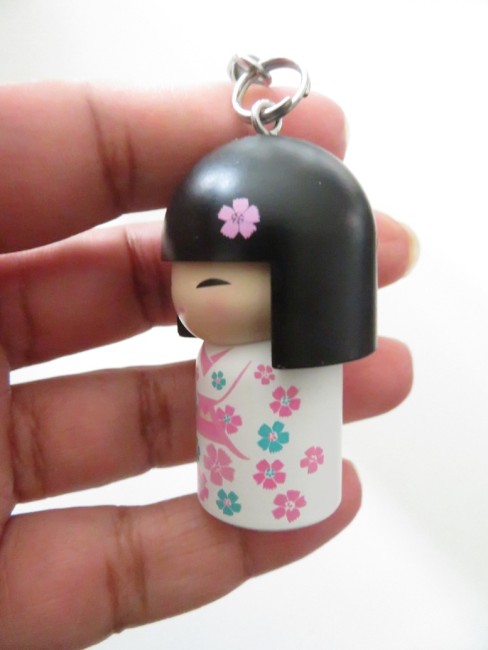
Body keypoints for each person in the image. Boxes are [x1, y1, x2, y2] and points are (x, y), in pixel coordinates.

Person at [0, 81, 415, 649]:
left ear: (297, 280)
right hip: (228, 491)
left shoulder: (304, 364)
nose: (189, 299)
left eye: (214, 282)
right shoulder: (216, 356)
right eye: (187, 276)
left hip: (300, 488)